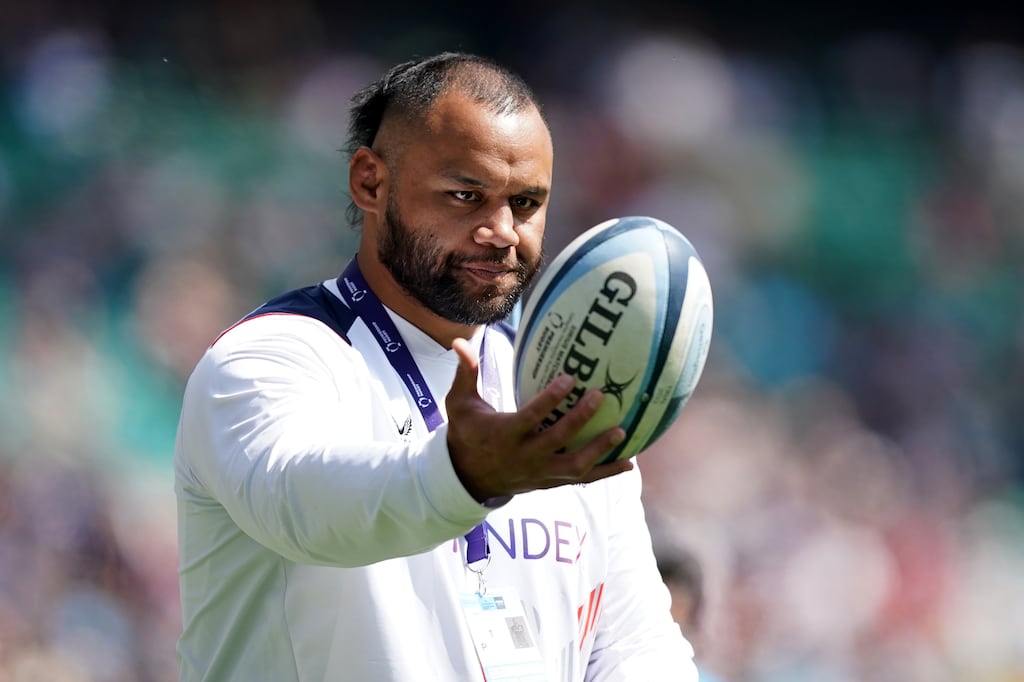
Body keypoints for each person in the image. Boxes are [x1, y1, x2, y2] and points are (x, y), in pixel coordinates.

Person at [174, 51, 698, 681]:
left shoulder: (566, 378)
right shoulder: (271, 358)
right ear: (370, 182)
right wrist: (461, 473)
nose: (501, 230)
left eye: (527, 203)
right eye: (465, 195)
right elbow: (304, 504)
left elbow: (635, 647)